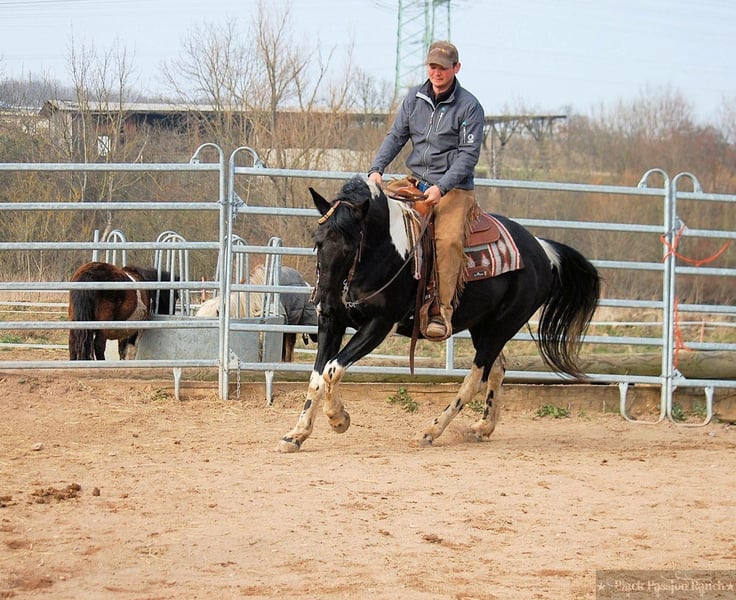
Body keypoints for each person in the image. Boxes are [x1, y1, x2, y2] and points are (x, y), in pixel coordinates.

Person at [368, 40, 485, 340]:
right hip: (414, 181)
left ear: (456, 68)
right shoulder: (414, 98)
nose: (436, 72)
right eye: (432, 66)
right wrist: (376, 169)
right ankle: (370, 289)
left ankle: (441, 310)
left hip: (454, 189)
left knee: (448, 240)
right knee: (373, 213)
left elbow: (468, 156)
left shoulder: (469, 107)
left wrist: (441, 187)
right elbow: (397, 136)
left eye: (443, 68)